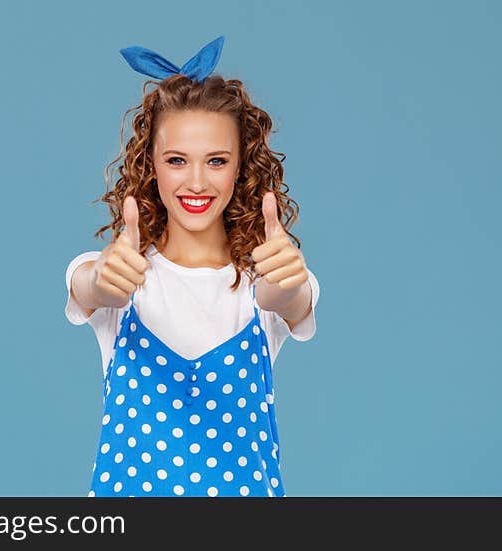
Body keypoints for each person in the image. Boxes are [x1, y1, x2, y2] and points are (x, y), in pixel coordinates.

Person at [64, 36, 320, 497]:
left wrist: (284, 287)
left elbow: (291, 300)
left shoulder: (269, 278)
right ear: (151, 166)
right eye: (177, 160)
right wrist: (102, 282)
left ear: (241, 167)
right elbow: (89, 287)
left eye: (217, 161)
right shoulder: (120, 275)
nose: (197, 181)